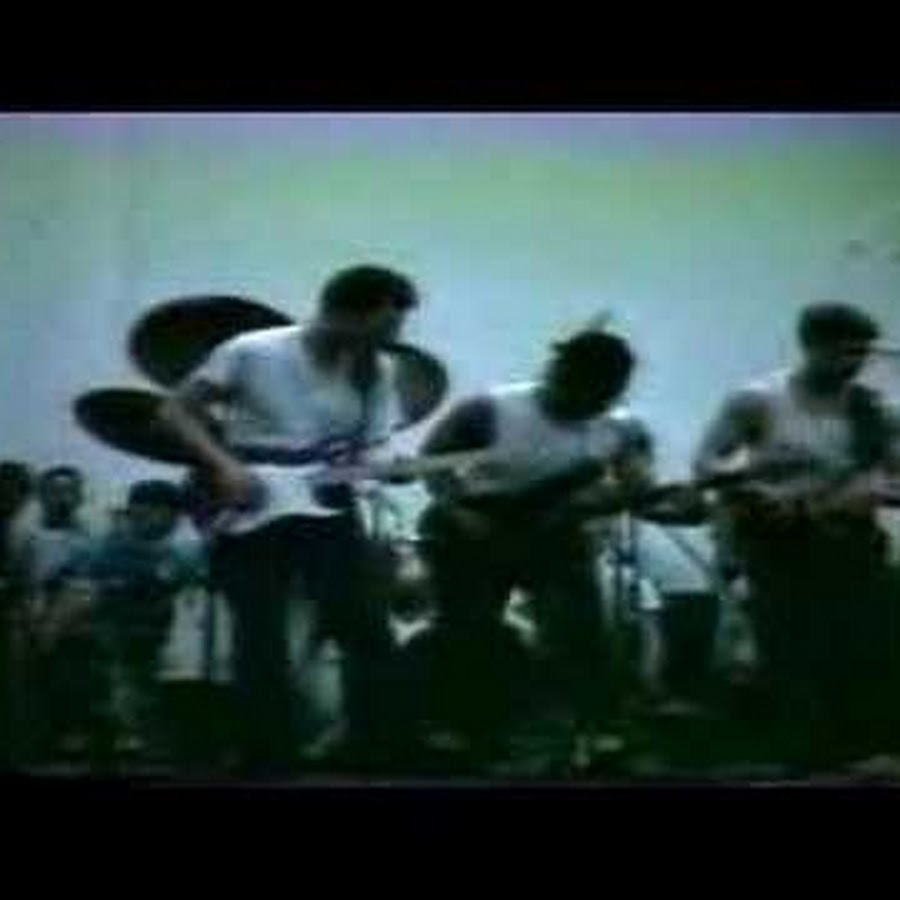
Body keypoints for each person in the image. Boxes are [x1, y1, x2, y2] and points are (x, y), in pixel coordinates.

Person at [158, 264, 420, 775]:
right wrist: (223, 466)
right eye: (384, 326)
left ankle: (376, 749)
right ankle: (267, 754)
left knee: (363, 625)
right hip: (252, 500)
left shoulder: (376, 370)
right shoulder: (253, 350)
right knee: (261, 631)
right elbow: (173, 412)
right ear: (345, 312)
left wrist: (393, 466)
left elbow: (375, 443)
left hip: (327, 499)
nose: (389, 340)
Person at [416, 326, 655, 769]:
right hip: (476, 532)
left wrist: (627, 492)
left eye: (604, 396)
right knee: (468, 632)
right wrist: (458, 509)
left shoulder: (621, 429)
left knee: (581, 633)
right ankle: (457, 732)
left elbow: (636, 483)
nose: (591, 404)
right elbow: (430, 462)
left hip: (554, 537)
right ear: (560, 373)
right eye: (583, 390)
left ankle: (597, 733)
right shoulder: (490, 409)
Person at [693, 301, 900, 774]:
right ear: (811, 346)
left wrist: (873, 491)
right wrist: (754, 487)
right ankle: (803, 758)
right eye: (844, 352)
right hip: (779, 543)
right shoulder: (757, 400)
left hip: (851, 543)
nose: (854, 364)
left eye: (862, 353)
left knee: (869, 648)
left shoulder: (875, 410)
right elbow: (706, 464)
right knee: (790, 652)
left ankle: (868, 752)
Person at [79, 480, 205, 762]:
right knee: (120, 686)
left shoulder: (187, 548)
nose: (143, 515)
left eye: (153, 509)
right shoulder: (110, 545)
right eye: (139, 508)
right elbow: (92, 582)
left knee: (155, 692)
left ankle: (155, 748)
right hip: (120, 629)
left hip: (170, 633)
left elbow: (176, 584)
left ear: (173, 514)